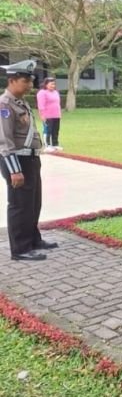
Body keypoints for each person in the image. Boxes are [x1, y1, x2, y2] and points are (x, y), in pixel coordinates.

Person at [0, 60, 57, 261]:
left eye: (30, 81)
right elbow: (4, 141)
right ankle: (20, 249)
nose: (29, 86)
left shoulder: (20, 102)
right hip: (17, 161)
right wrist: (14, 170)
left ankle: (33, 239)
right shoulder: (5, 104)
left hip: (30, 160)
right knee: (19, 205)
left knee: (33, 203)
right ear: (12, 80)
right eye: (25, 81)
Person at [36, 76, 62, 152]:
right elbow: (41, 105)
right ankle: (47, 145)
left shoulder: (56, 92)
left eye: (54, 84)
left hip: (56, 115)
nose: (53, 86)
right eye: (51, 84)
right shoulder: (42, 93)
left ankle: (55, 144)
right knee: (48, 130)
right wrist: (42, 115)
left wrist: (59, 113)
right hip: (48, 115)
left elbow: (57, 103)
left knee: (55, 130)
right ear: (46, 84)